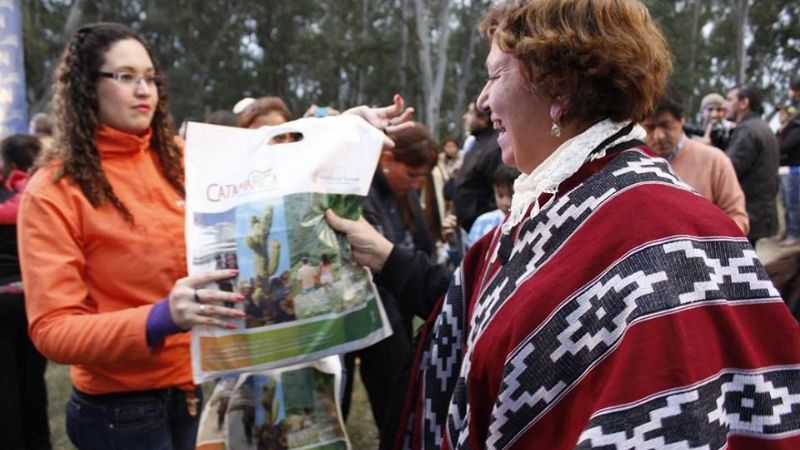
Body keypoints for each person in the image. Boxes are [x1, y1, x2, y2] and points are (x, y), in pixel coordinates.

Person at [326, 1, 800, 449]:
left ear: (557, 87)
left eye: (495, 75)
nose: (483, 99)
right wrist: (385, 255)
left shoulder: (658, 234)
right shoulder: (561, 199)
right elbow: (483, 309)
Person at [18, 23, 413, 450]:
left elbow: (269, 157)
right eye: (125, 76)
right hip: (117, 412)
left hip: (193, 392)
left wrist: (342, 128)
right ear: (85, 86)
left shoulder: (178, 158)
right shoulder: (53, 191)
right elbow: (53, 330)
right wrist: (159, 318)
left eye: (150, 77)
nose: (144, 90)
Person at [341, 122, 441, 449]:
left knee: (394, 402)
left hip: (393, 313)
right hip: (364, 310)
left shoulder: (405, 197)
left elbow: (422, 246)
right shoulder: (358, 191)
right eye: (411, 174)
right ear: (387, 158)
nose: (417, 183)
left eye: (422, 177)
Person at [0, 134, 51, 450]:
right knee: (33, 381)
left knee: (5, 387)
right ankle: (40, 442)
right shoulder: (35, 197)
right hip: (30, 298)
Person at [642, 86, 749, 233]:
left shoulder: (715, 161)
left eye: (666, 125)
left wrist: (705, 239)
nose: (659, 136)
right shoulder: (632, 165)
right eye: (650, 127)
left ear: (682, 120)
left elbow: (738, 219)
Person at [723, 85, 780, 245]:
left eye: (729, 100)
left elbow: (728, 170)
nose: (724, 105)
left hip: (750, 211)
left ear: (744, 103)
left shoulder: (748, 131)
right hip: (760, 210)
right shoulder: (760, 126)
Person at [453, 102, 503, 231]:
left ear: (484, 117)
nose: (465, 116)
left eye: (470, 112)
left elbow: (499, 188)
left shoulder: (495, 146)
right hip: (469, 228)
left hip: (485, 228)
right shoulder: (476, 144)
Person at [467, 165, 518, 245]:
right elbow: (470, 250)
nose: (506, 202)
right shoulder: (483, 223)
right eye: (500, 195)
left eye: (512, 195)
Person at [777, 98, 800, 246]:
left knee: (793, 204)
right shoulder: (782, 131)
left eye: (783, 113)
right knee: (785, 203)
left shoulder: (796, 130)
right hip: (783, 171)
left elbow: (783, 147)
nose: (780, 116)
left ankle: (794, 233)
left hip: (793, 171)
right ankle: (787, 230)